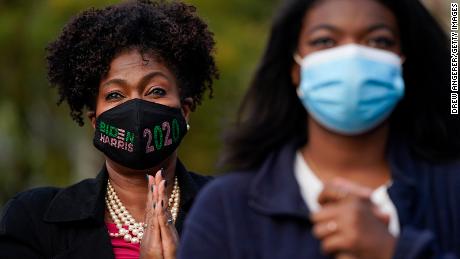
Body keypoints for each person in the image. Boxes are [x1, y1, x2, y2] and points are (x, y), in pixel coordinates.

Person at [178, 0, 460, 258]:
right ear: (295, 68)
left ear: (404, 62)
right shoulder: (227, 208)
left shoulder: (450, 190)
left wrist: (395, 251)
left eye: (378, 40)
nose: (351, 56)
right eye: (324, 40)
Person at [0, 1, 218, 258]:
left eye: (156, 91)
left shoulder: (233, 210)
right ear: (95, 121)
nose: (136, 106)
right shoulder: (33, 220)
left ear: (184, 111)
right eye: (115, 95)